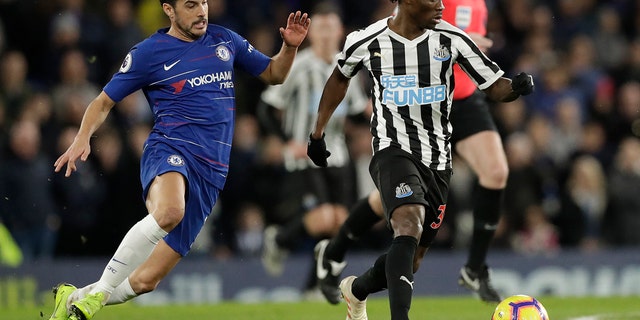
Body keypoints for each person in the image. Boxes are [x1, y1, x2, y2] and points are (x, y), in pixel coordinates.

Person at [47, 1, 310, 319]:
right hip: (170, 150)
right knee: (170, 211)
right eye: (190, 5)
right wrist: (82, 136)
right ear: (169, 10)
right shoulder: (149, 52)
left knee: (146, 281)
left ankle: (75, 297)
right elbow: (103, 102)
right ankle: (96, 298)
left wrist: (290, 48)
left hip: (212, 171)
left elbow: (273, 73)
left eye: (203, 2)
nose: (202, 11)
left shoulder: (224, 40)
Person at [306, 0, 534, 319]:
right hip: (391, 148)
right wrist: (317, 134)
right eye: (432, 0)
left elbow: (494, 86)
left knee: (411, 259)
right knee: (408, 222)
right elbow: (339, 79)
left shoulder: (451, 38)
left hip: (438, 159)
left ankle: (355, 291)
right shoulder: (367, 39)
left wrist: (517, 88)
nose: (441, 6)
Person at [257, 2, 368, 293]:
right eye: (321, 27)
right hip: (304, 155)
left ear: (341, 31)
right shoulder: (299, 66)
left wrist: (370, 112)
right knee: (324, 218)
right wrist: (286, 141)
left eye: (332, 27)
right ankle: (279, 240)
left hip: (338, 153)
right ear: (311, 33)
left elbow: (355, 112)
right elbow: (266, 108)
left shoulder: (346, 66)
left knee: (340, 222)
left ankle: (313, 287)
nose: (327, 33)